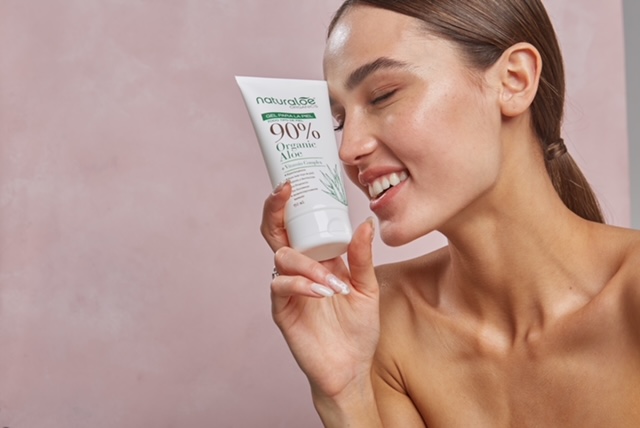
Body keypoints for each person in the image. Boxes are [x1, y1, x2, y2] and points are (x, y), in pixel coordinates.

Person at [261, 0, 640, 426]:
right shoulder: (384, 320)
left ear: (514, 80)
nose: (348, 149)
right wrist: (344, 394)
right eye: (339, 119)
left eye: (383, 95)